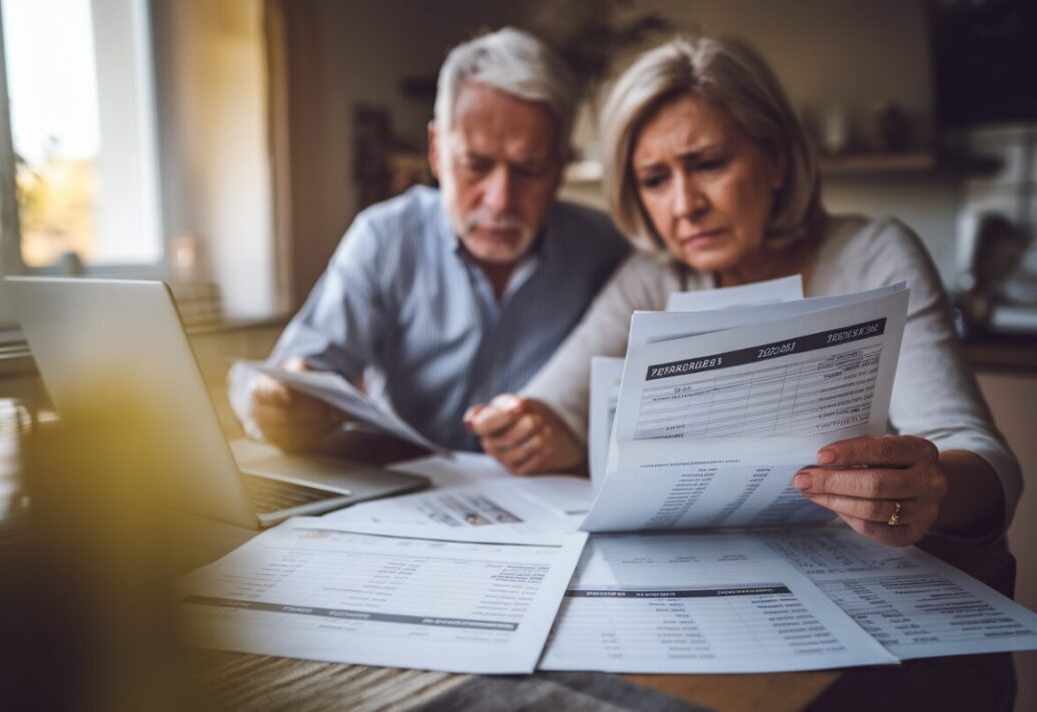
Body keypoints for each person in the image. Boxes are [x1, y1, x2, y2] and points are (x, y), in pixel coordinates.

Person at [467, 35, 1021, 547]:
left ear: (776, 159)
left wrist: (930, 489)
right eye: (654, 179)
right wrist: (532, 428)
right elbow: (554, 405)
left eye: (707, 164)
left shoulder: (873, 257)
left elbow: (987, 462)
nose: (684, 206)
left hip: (856, 576)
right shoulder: (655, 275)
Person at [230, 28, 629, 453]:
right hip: (401, 492)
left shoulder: (605, 248)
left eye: (529, 169)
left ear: (560, 165)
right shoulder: (385, 239)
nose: (500, 200)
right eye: (476, 165)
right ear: (436, 151)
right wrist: (279, 399)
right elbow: (286, 375)